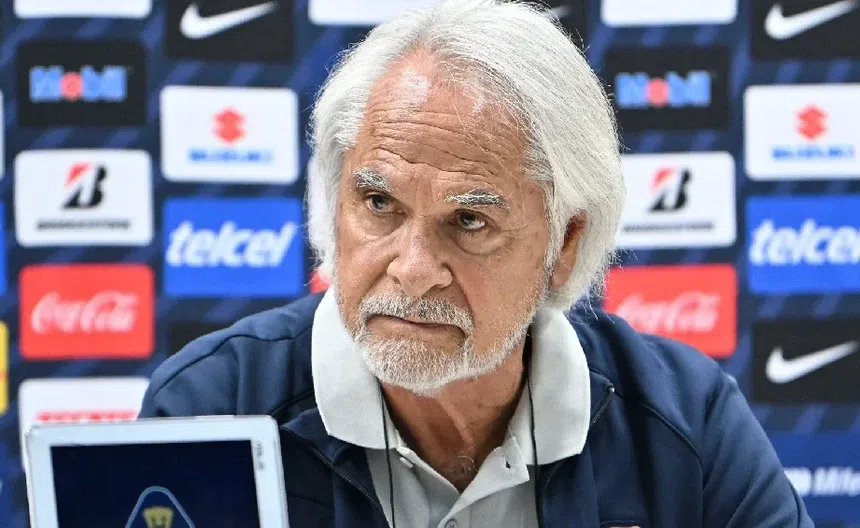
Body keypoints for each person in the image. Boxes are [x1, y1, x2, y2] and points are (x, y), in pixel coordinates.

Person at [139, 0, 813, 526]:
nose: (412, 268)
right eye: (379, 203)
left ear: (564, 244)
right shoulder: (213, 409)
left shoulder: (683, 421)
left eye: (468, 221)